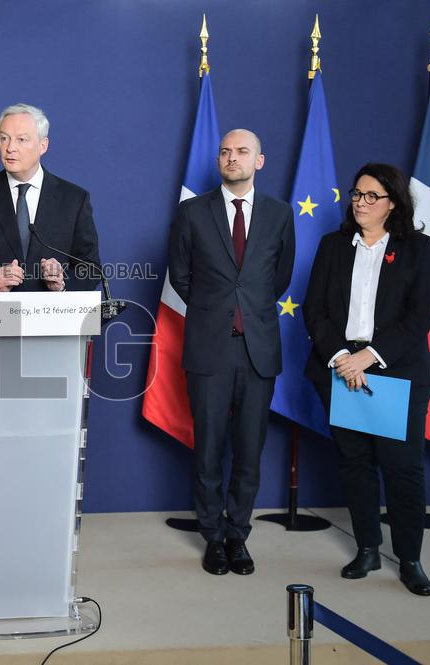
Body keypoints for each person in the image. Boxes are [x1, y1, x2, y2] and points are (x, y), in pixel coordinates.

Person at [303, 163, 430, 596]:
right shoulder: (333, 245)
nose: (360, 203)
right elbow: (315, 311)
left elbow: (419, 318)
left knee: (402, 470)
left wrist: (368, 357)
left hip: (396, 373)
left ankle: (411, 559)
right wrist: (344, 358)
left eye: (371, 196)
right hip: (342, 370)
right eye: (356, 195)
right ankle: (367, 549)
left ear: (392, 203)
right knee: (355, 464)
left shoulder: (419, 248)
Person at [168, 129, 295, 576]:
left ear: (259, 161)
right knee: (207, 449)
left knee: (248, 449)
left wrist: (246, 310)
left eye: (242, 152)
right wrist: (215, 310)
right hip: (209, 348)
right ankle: (212, 536)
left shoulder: (279, 214)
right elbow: (180, 275)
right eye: (225, 151)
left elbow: (278, 278)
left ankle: (238, 534)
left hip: (258, 349)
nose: (232, 157)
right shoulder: (192, 212)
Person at [0, 103, 100, 292]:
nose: (10, 148)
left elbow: (91, 269)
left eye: (21, 140)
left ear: (43, 145)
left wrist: (62, 284)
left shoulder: (74, 199)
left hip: (52, 316)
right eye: (4, 138)